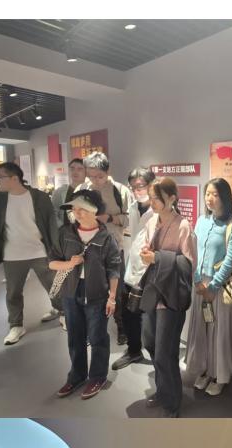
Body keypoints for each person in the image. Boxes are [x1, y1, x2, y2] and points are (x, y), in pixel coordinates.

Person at [49, 189, 122, 400]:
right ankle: (77, 375)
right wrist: (70, 263)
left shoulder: (105, 237)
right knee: (75, 336)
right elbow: (52, 262)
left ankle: (97, 377)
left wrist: (112, 297)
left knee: (97, 337)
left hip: (97, 294)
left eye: (81, 209)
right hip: (71, 293)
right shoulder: (65, 233)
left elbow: (114, 269)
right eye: (74, 209)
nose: (76, 213)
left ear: (94, 210)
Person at [137, 177, 198, 417]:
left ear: (171, 199)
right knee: (150, 343)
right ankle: (163, 390)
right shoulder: (152, 221)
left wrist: (158, 257)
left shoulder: (183, 225)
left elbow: (188, 264)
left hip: (171, 295)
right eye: (151, 198)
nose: (152, 202)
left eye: (157, 198)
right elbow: (146, 249)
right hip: (153, 290)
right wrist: (146, 253)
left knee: (166, 351)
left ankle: (172, 401)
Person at [186, 178, 232, 397]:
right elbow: (193, 251)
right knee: (202, 330)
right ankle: (205, 370)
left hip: (219, 288)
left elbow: (231, 259)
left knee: (218, 331)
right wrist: (196, 280)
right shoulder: (201, 221)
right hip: (199, 284)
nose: (210, 199)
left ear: (225, 197)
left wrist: (212, 286)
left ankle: (219, 375)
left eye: (215, 195)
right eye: (207, 194)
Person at [0, 161, 61, 346]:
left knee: (53, 285)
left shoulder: (39, 197)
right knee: (13, 292)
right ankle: (16, 325)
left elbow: (51, 222)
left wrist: (56, 249)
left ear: (15, 178)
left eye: (0, 177)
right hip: (12, 254)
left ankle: (62, 312)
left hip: (39, 251)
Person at [79, 152, 132, 349]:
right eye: (91, 176)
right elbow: (71, 215)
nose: (95, 180)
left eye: (99, 176)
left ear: (108, 171)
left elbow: (129, 219)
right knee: (89, 290)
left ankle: (122, 327)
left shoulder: (120, 190)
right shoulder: (82, 189)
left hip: (113, 248)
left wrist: (108, 218)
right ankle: (91, 330)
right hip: (88, 248)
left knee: (117, 291)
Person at [110, 167, 156, 372]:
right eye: (133, 187)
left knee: (152, 317)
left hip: (152, 270)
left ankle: (159, 358)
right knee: (129, 312)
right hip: (132, 266)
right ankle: (134, 350)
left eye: (141, 186)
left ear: (151, 185)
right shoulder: (133, 208)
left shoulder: (160, 210)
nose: (137, 191)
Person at [51, 158, 87, 227]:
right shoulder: (59, 192)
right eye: (72, 169)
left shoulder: (92, 191)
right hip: (66, 231)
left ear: (86, 172)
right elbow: (53, 213)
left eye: (79, 169)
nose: (75, 172)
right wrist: (62, 228)